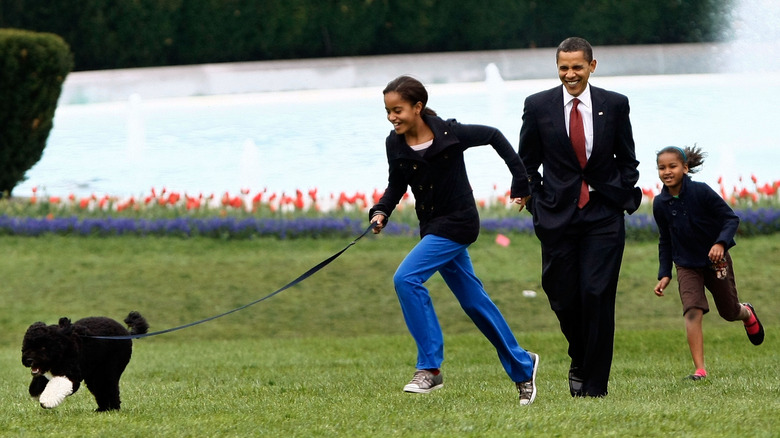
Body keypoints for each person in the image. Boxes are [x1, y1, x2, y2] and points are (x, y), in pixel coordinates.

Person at [369, 75, 539, 405]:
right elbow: (396, 185)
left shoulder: (450, 133)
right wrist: (381, 211)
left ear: (418, 107)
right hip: (432, 225)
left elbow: (494, 136)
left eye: (398, 110)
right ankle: (523, 365)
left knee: (406, 278)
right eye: (388, 111)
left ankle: (430, 369)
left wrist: (522, 184)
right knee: (475, 303)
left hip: (459, 223)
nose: (392, 117)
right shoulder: (396, 143)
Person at [517, 37, 641, 398]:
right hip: (557, 215)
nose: (570, 74)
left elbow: (628, 159)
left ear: (592, 66)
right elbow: (527, 162)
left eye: (577, 67)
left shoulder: (614, 104)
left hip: (603, 214)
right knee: (563, 296)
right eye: (563, 67)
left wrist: (619, 192)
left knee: (597, 294)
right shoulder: (538, 105)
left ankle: (594, 386)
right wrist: (536, 198)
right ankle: (579, 357)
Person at [653, 145, 764, 380]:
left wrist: (721, 244)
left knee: (729, 311)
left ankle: (747, 313)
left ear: (685, 168)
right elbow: (665, 240)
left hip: (716, 262)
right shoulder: (660, 203)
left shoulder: (701, 192)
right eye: (661, 168)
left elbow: (730, 218)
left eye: (672, 166)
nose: (667, 171)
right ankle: (700, 370)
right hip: (686, 264)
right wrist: (665, 273)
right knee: (692, 310)